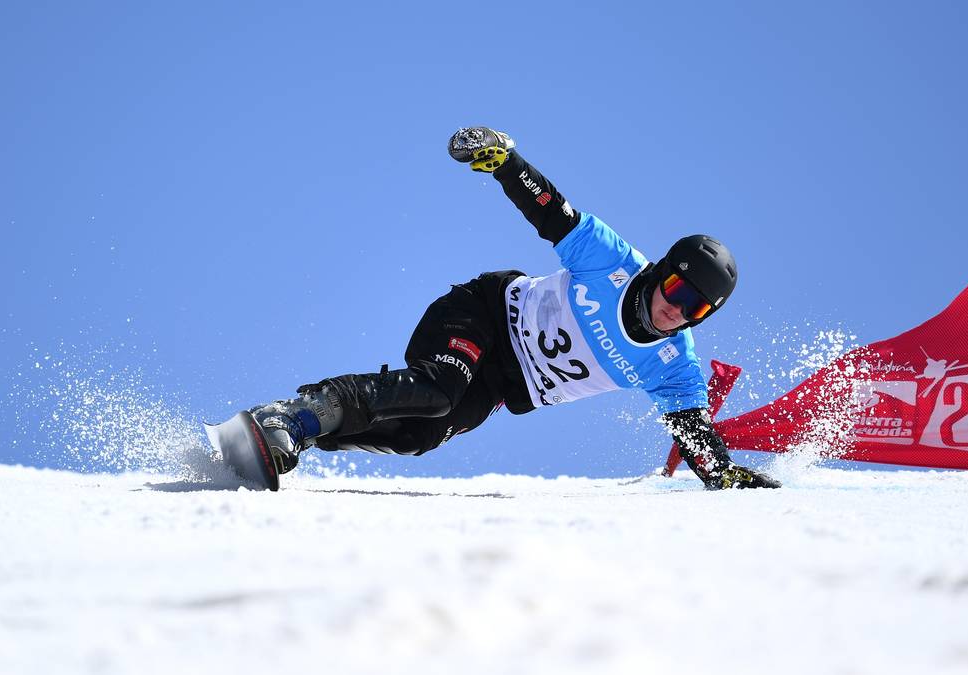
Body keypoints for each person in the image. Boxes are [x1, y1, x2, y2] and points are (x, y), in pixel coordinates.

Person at [244, 128, 780, 490]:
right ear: (662, 269)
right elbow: (549, 208)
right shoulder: (612, 261)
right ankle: (294, 414)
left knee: (418, 435)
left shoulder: (674, 367)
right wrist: (505, 161)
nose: (678, 311)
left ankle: (300, 436)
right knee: (434, 391)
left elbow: (701, 448)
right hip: (484, 313)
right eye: (678, 290)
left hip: (502, 383)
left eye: (698, 311)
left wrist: (733, 482)